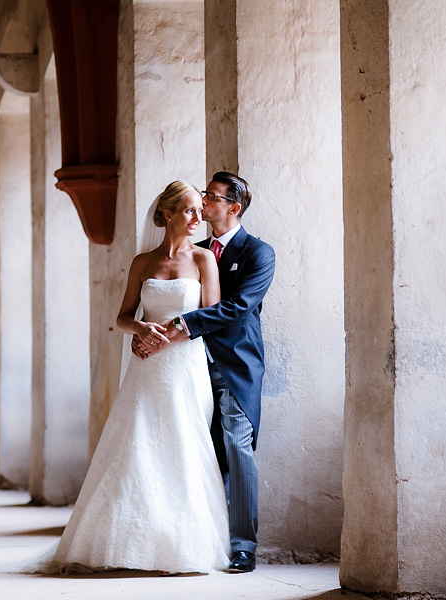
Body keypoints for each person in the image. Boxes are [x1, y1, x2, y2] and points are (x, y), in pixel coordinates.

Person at [23, 181, 230, 575]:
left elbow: (210, 318)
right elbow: (122, 316)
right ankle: (129, 545)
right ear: (167, 214)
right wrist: (140, 330)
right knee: (137, 445)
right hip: (146, 368)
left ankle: (180, 547)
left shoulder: (204, 259)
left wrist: (164, 337)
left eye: (198, 210)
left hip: (184, 366)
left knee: (183, 445)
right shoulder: (142, 262)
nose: (197, 217)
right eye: (189, 210)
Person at [133, 171, 275, 574]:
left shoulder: (258, 252)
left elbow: (239, 307)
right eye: (202, 197)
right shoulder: (193, 252)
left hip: (234, 364)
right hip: (187, 365)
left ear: (234, 207)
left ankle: (243, 547)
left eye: (212, 197)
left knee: (237, 446)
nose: (204, 203)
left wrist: (179, 327)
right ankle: (197, 539)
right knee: (193, 448)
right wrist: (145, 333)